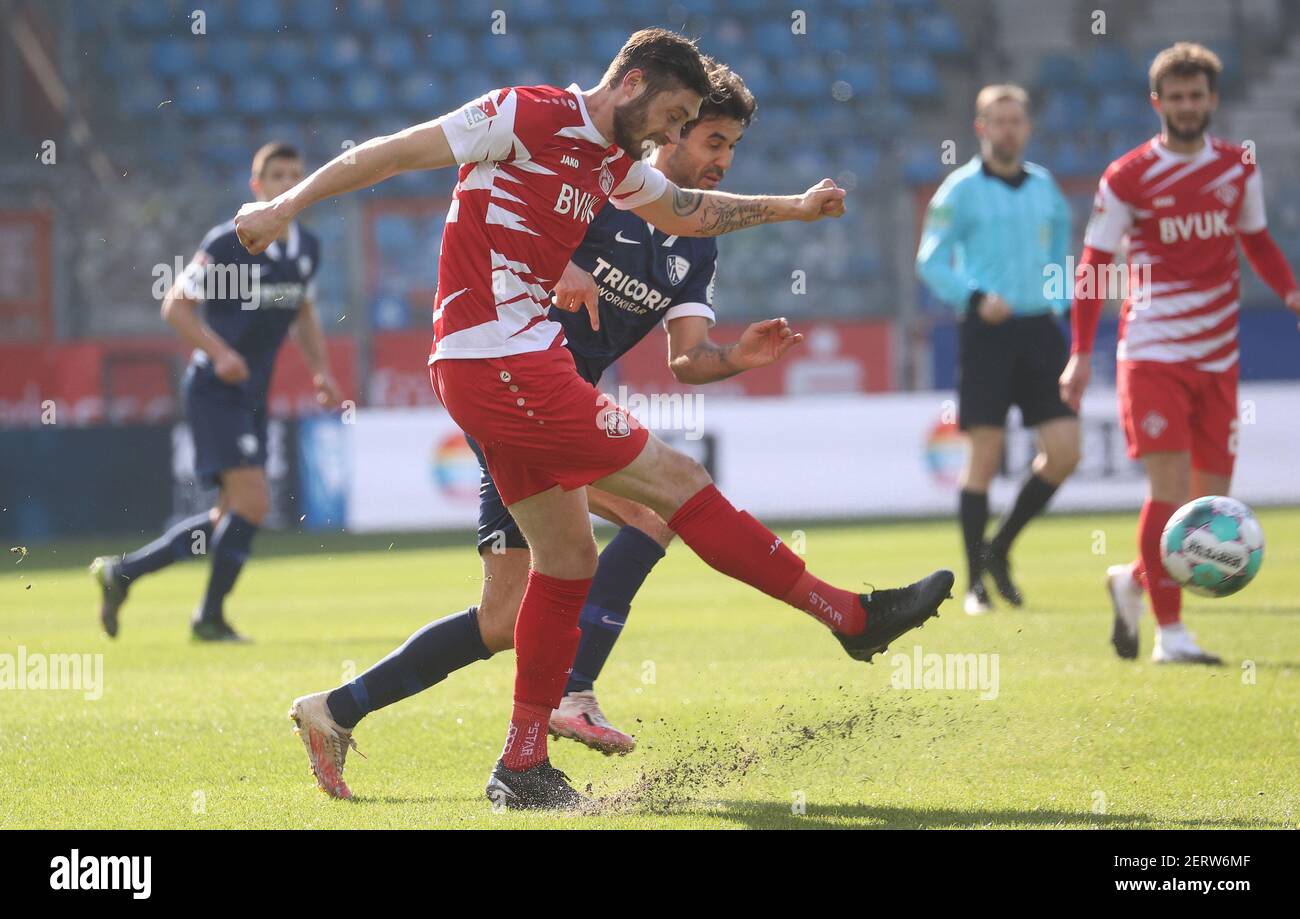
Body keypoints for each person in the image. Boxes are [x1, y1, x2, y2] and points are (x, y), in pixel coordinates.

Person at [235, 29, 953, 809]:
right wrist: (285, 206)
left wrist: (795, 209)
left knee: (566, 562)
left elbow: (688, 212)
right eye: (675, 116)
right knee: (674, 488)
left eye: (689, 126)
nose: (673, 136)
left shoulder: (614, 165)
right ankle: (848, 616)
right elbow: (395, 152)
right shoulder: (526, 112)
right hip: (503, 361)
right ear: (632, 82)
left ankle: (513, 762)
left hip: (509, 367)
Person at [1059, 43, 1300, 663]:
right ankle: (1173, 637)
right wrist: (1080, 352)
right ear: (1157, 101)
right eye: (1177, 96)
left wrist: (1293, 292)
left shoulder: (1238, 168)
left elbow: (1259, 241)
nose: (1188, 106)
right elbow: (1093, 265)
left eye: (1198, 96)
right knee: (1169, 494)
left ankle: (1130, 581)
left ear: (1212, 101)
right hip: (1152, 351)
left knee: (1212, 508)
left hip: (1218, 356)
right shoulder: (1128, 175)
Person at [90, 143, 342, 642]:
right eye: (276, 175)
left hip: (253, 395)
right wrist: (220, 351)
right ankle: (207, 616)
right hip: (215, 389)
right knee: (252, 503)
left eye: (296, 174)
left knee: (228, 516)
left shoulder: (307, 250)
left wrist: (321, 369)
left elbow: (305, 313)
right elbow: (176, 306)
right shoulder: (230, 242)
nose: (287, 183)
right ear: (257, 186)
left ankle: (124, 573)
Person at [917, 84, 1080, 616]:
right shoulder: (959, 190)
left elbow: (1060, 257)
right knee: (983, 456)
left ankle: (1000, 546)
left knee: (1065, 452)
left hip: (1039, 332)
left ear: (1027, 128)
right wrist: (973, 297)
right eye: (998, 121)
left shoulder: (1046, 190)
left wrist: (1059, 304)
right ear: (981, 128)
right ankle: (973, 585)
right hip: (986, 333)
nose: (1008, 129)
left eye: (1016, 120)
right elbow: (931, 262)